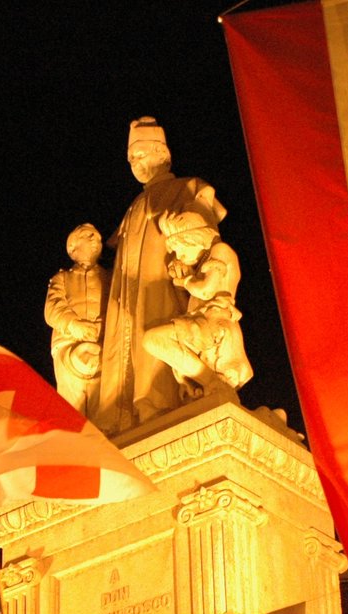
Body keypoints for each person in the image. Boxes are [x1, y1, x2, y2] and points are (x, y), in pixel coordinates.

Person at [93, 117, 226, 434]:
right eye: (131, 159)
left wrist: (189, 265)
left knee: (154, 331)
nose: (135, 164)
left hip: (165, 283)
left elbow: (206, 234)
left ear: (162, 153)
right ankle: (118, 415)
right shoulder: (135, 205)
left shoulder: (188, 187)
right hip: (128, 292)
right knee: (123, 342)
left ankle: (156, 403)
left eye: (141, 155)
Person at [140, 210, 252, 401]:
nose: (180, 256)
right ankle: (209, 381)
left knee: (152, 340)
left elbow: (206, 291)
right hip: (204, 322)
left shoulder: (221, 251)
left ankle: (212, 382)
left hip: (214, 322)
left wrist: (186, 281)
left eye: (181, 249)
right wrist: (183, 282)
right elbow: (191, 308)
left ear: (196, 238)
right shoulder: (205, 263)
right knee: (157, 342)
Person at [43, 223, 109, 419]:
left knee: (104, 401)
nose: (95, 240)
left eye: (97, 237)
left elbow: (118, 306)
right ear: (72, 248)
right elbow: (53, 308)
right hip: (67, 344)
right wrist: (74, 325)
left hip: (103, 343)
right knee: (71, 403)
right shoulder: (61, 278)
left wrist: (103, 325)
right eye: (88, 236)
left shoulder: (111, 277)